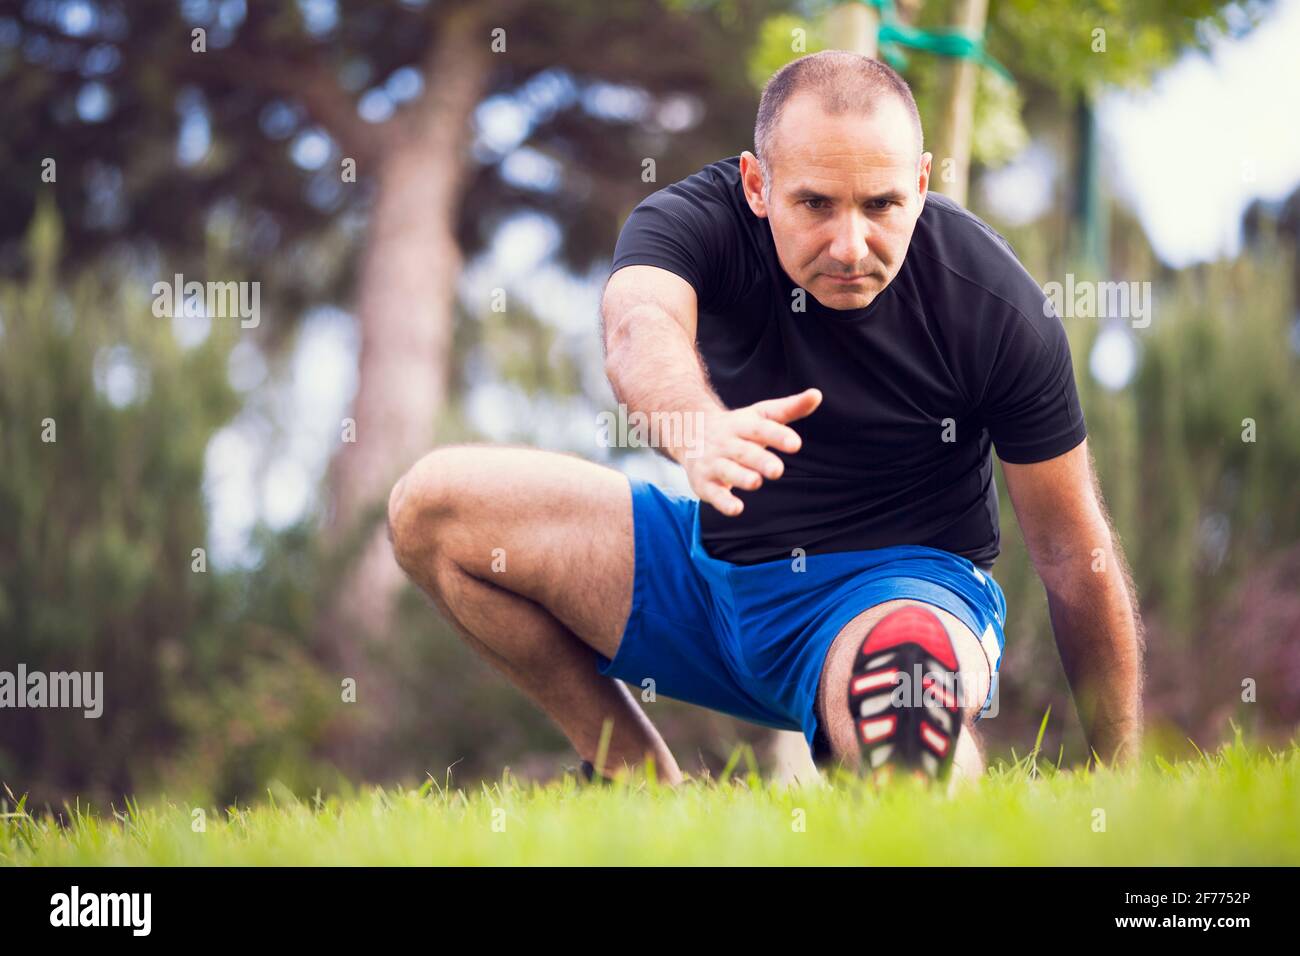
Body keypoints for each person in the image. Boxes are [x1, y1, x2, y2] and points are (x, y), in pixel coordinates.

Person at [388, 50, 1145, 788]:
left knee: (905, 707)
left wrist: (1121, 775)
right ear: (758, 183)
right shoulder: (693, 220)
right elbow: (638, 325)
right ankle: (635, 778)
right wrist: (696, 427)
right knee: (435, 506)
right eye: (815, 204)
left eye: (881, 205)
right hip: (708, 583)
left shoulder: (996, 308)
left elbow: (1073, 553)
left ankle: (921, 768)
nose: (851, 246)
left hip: (893, 600)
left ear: (920, 184)